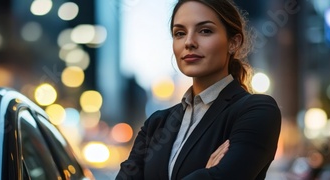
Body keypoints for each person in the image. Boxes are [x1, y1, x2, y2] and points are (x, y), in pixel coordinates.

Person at [116, 0, 281, 179]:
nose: (189, 42)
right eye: (180, 33)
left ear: (233, 42)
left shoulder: (257, 111)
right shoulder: (155, 125)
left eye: (205, 31)